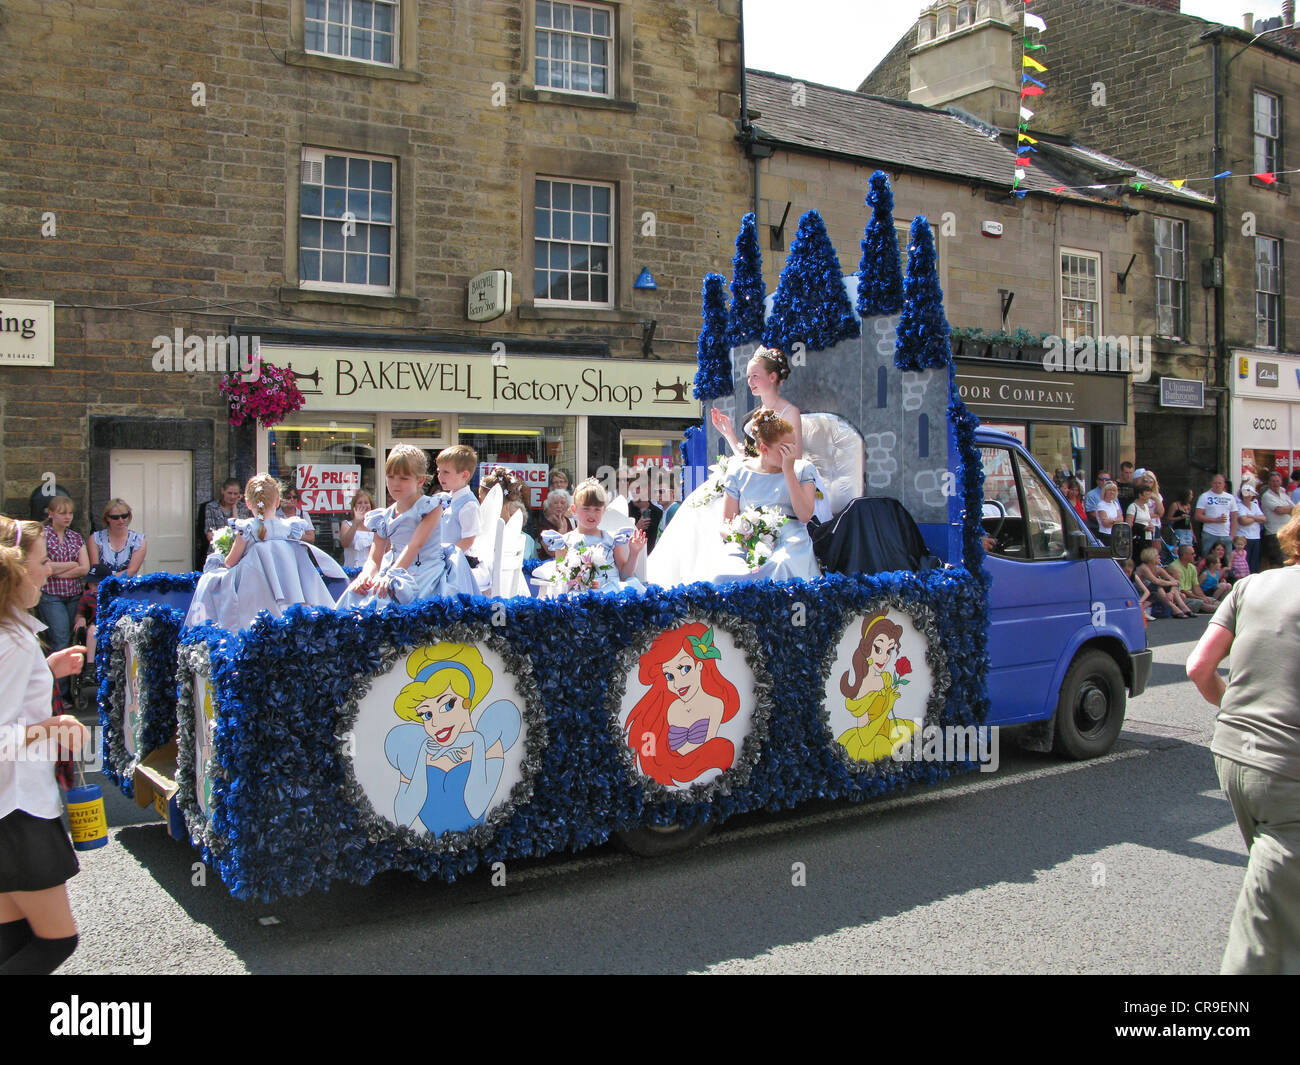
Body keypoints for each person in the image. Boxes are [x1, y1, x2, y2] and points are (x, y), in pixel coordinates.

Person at [1186, 508, 1300, 974]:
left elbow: (1198, 667)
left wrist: (1238, 715)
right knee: (1269, 922)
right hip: (1287, 769)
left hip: (1234, 752)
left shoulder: (1252, 585)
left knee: (1278, 892)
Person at [0, 514, 91, 974]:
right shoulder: (12, 643)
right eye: (41, 562)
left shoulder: (12, 633)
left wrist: (47, 669)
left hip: (10, 810)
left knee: (13, 937)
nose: (51, 570)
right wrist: (51, 727)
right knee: (55, 942)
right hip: (18, 812)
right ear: (14, 571)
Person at [185, 474, 346, 630]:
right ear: (277, 501)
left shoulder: (247, 529)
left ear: (248, 503)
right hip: (289, 588)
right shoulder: (289, 527)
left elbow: (230, 562)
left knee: (212, 579)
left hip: (254, 591)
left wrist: (218, 561)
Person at [688, 408, 820, 585]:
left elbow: (805, 515)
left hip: (790, 537)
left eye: (793, 445)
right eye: (785, 448)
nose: (792, 452)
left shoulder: (803, 468)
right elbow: (726, 524)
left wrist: (789, 471)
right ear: (764, 449)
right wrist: (746, 536)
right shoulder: (738, 471)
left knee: (781, 566)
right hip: (746, 539)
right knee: (723, 573)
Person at [336, 447, 473, 610]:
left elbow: (415, 545)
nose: (395, 484)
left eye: (403, 478)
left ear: (420, 480)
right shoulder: (383, 516)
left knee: (402, 602)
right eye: (391, 477)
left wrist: (392, 575)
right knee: (356, 596)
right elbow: (375, 556)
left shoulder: (431, 506)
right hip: (393, 567)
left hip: (426, 573)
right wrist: (366, 575)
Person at [621, 623, 741, 787]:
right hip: (676, 772)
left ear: (700, 665)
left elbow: (708, 747)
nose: (677, 683)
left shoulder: (715, 705)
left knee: (723, 748)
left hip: (703, 770)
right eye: (669, 676)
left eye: (684, 668)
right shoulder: (671, 708)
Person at [535, 478, 647, 594]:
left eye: (597, 509)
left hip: (612, 595)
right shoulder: (564, 542)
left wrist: (634, 553)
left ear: (604, 511)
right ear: (574, 509)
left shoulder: (611, 539)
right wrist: (581, 582)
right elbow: (561, 578)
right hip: (580, 597)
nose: (591, 514)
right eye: (586, 508)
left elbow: (624, 575)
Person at [835, 611, 920, 762]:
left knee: (916, 733)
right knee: (883, 750)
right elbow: (865, 737)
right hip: (873, 742)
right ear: (868, 648)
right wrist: (888, 706)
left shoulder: (885, 678)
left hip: (890, 730)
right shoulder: (862, 689)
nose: (884, 657)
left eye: (889, 650)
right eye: (878, 649)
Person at [709, 346, 803, 460]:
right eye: (748, 377)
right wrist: (728, 432)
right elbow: (747, 456)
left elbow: (796, 461)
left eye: (755, 376)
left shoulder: (789, 412)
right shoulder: (755, 414)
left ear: (772, 376)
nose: (750, 382)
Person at [37, 496, 88, 700]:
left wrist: (56, 570)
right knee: (60, 639)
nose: (67, 517)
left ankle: (68, 692)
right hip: (51, 596)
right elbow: (44, 567)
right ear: (51, 514)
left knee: (72, 640)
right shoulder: (43, 536)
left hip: (74, 594)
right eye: (62, 513)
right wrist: (71, 564)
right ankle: (59, 694)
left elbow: (84, 568)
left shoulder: (75, 537)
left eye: (70, 513)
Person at [435, 444, 482, 595]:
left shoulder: (468, 504)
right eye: (439, 471)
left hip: (458, 564)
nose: (440, 476)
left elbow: (468, 539)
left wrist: (447, 557)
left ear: (464, 475)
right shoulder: (448, 499)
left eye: (446, 472)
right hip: (443, 561)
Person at [88, 498, 146, 578]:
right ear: (107, 518)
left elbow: (132, 570)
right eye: (115, 517)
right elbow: (95, 569)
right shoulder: (95, 539)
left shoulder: (138, 541)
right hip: (101, 585)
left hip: (128, 586)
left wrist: (110, 579)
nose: (121, 520)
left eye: (124, 516)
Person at [1136, 547, 1194, 618]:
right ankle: (1175, 609)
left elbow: (1173, 580)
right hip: (1141, 590)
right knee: (1158, 586)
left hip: (1152, 591)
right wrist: (1171, 583)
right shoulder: (1144, 567)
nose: (1159, 557)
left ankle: (1183, 607)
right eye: (1157, 555)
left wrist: (1171, 592)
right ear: (1151, 557)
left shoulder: (1158, 568)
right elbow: (1155, 581)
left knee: (1166, 585)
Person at [1195, 473, 1237, 558]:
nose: (1217, 485)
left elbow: (1234, 518)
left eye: (1219, 483)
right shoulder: (1205, 496)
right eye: (1215, 483)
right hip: (1210, 534)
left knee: (1226, 560)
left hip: (1226, 535)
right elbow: (1198, 516)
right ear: (1211, 483)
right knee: (1208, 559)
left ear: (1224, 484)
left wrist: (1232, 536)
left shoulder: (1230, 498)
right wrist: (1215, 520)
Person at [1260, 471, 1293, 570]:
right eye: (1273, 481)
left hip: (1286, 533)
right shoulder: (1267, 496)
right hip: (1274, 533)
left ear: (1281, 482)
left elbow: (1295, 508)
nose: (1275, 483)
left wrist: (1286, 509)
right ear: (1269, 483)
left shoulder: (1284, 494)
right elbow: (1279, 510)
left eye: (1277, 481)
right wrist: (1288, 509)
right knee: (1277, 562)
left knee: (1288, 560)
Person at [1168, 544, 1215, 613]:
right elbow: (1182, 591)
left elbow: (1196, 587)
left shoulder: (1192, 567)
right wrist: (1200, 598)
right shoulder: (1174, 567)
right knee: (1212, 608)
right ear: (1184, 555)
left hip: (1193, 596)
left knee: (1216, 602)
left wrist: (1204, 597)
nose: (1195, 555)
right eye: (1192, 554)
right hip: (1184, 598)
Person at [203, 478, 249, 545]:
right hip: (217, 549)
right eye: (229, 493)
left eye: (235, 494)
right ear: (223, 491)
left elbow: (239, 531)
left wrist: (234, 507)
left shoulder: (244, 508)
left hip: (238, 549)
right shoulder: (212, 507)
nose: (232, 496)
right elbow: (210, 535)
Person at [339, 489, 376, 569]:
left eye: (366, 503)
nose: (363, 505)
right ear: (354, 507)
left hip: (370, 570)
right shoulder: (346, 524)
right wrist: (356, 522)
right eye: (359, 503)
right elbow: (345, 543)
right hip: (352, 570)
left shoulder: (376, 526)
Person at [534, 489, 574, 561]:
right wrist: (560, 528)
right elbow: (552, 552)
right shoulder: (544, 526)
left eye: (562, 503)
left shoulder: (568, 521)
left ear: (567, 505)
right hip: (550, 563)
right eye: (555, 503)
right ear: (549, 506)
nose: (559, 506)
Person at [1234, 484, 1264, 573]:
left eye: (1250, 494)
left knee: (1254, 563)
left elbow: (1263, 519)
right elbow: (1243, 521)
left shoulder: (1254, 505)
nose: (1248, 496)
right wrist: (1256, 518)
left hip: (1256, 538)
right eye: (1246, 494)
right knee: (1244, 563)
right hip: (1243, 538)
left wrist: (1251, 516)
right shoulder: (1239, 506)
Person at [1125, 482, 1157, 555]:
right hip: (1138, 538)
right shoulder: (1132, 507)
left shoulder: (1146, 506)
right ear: (1140, 495)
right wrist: (1143, 528)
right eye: (1147, 495)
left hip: (1147, 537)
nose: (1149, 497)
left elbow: (1147, 520)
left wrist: (1151, 525)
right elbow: (1129, 525)